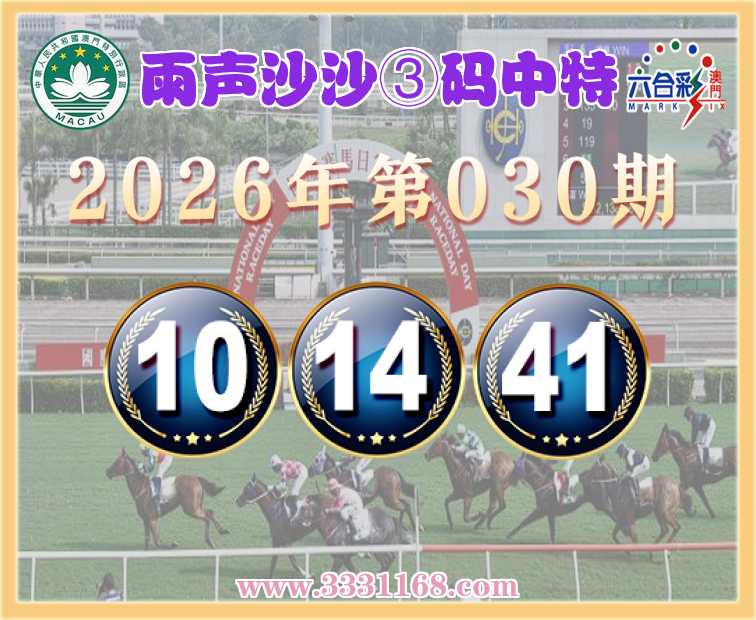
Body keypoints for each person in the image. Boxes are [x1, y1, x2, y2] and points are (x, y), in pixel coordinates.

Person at [138, 445, 172, 511]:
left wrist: (143, 469)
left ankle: (159, 497)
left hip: (166, 458)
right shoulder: (151, 449)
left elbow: (151, 467)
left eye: (143, 451)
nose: (143, 453)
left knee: (158, 476)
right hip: (166, 456)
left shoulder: (151, 451)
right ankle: (159, 495)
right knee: (156, 476)